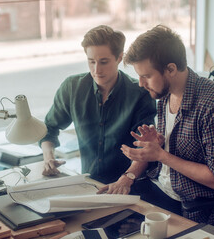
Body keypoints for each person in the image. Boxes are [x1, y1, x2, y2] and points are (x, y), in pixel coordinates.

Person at [120, 25, 214, 225]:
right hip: (160, 188)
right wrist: (157, 145)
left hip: (190, 202)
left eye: (146, 75)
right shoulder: (164, 94)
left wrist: (161, 155)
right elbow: (172, 153)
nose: (140, 83)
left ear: (170, 69)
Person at [39, 25, 156, 195]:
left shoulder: (139, 94)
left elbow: (146, 147)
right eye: (91, 61)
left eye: (103, 62)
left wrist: (126, 179)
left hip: (129, 187)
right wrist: (48, 158)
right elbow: (49, 128)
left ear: (119, 58)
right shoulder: (72, 88)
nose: (96, 70)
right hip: (89, 185)